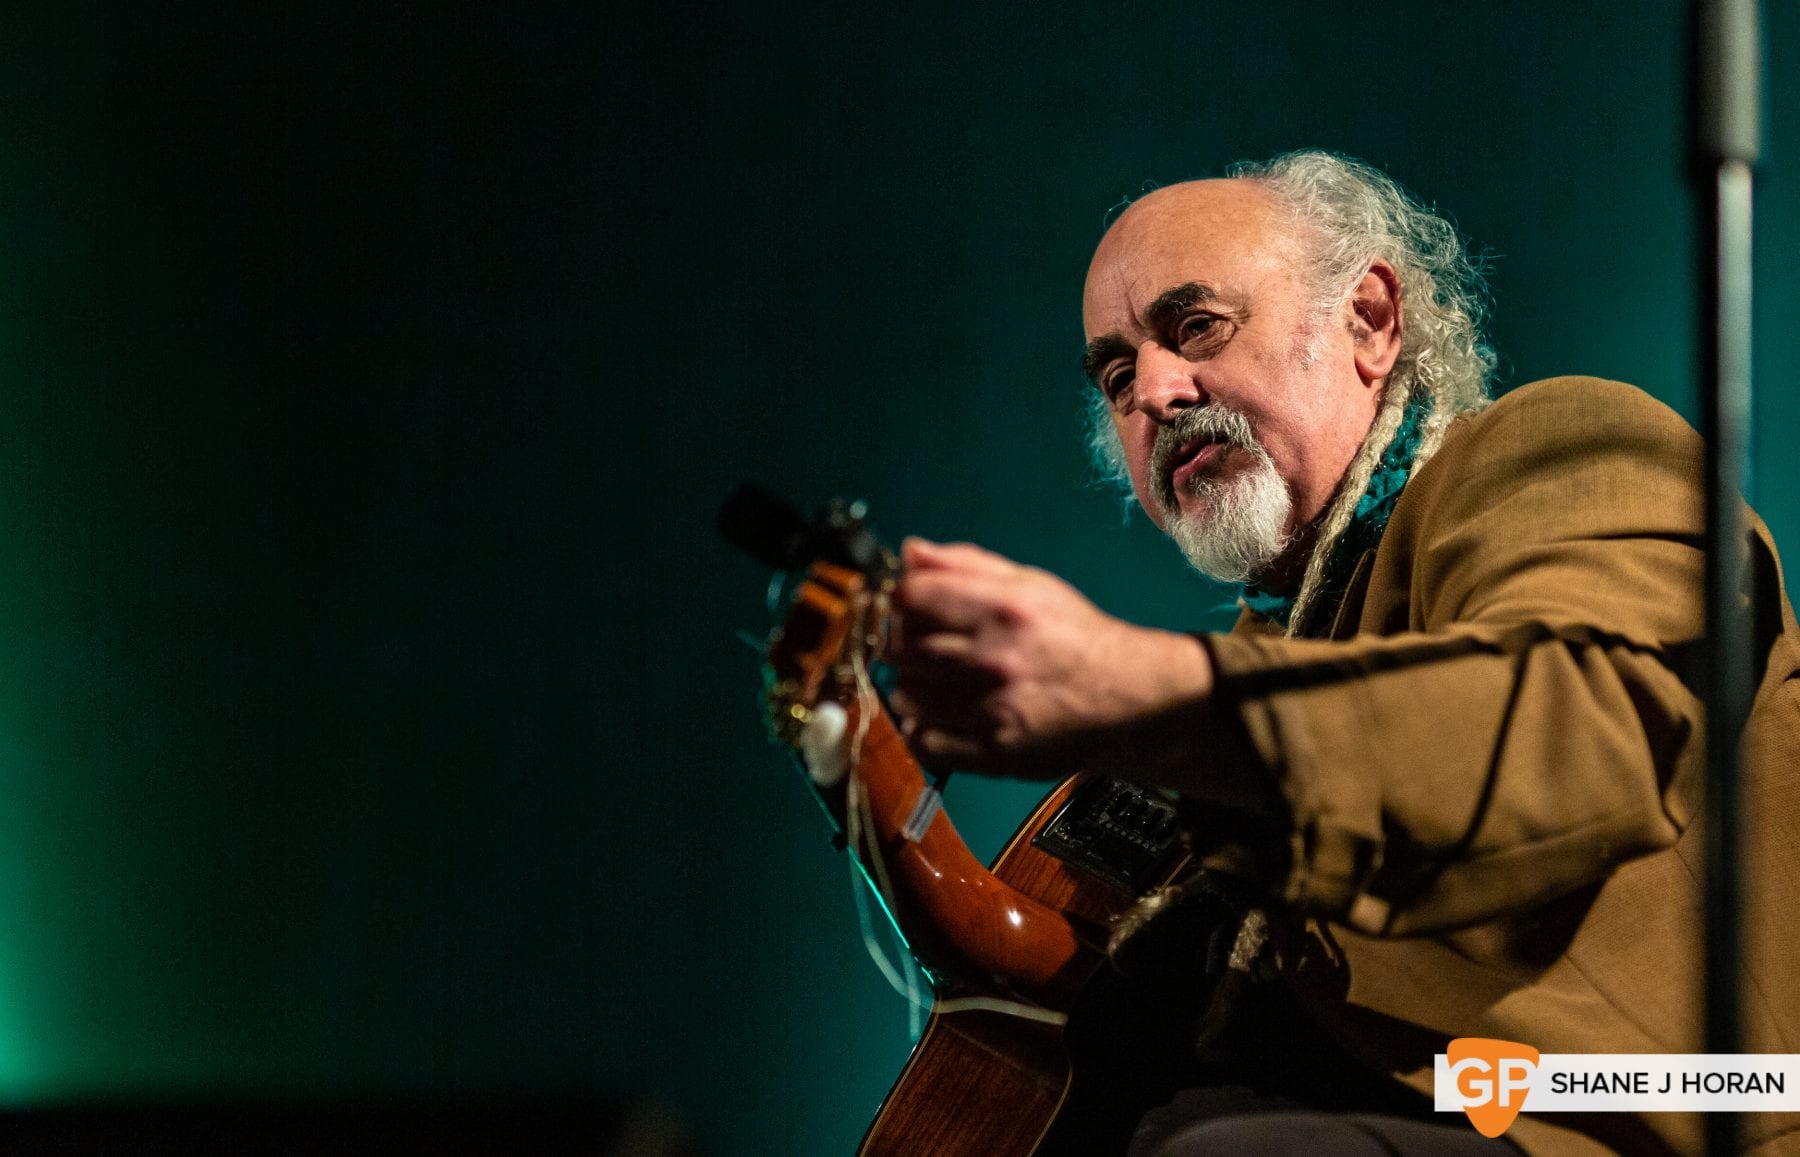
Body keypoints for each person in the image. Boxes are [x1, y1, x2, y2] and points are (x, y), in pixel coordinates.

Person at [885, 151, 1800, 1155]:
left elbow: (1574, 724)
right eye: (1115, 374)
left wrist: (1145, 688)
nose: (1152, 390)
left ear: (1369, 318)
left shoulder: (1561, 449)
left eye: (1196, 327)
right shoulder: (1269, 646)